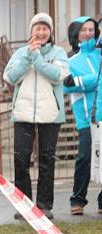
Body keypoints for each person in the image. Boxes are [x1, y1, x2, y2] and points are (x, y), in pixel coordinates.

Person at [4, 13, 69, 220]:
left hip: (50, 114)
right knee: (21, 159)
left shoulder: (58, 52)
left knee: (47, 160)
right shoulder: (21, 52)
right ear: (31, 31)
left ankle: (44, 206)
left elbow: (58, 76)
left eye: (45, 28)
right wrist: (27, 57)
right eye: (37, 28)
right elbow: (10, 76)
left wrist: (38, 58)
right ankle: (24, 206)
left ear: (50, 32)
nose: (41, 32)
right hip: (23, 114)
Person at [65, 16, 102, 216]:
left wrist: (82, 81)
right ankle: (77, 199)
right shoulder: (70, 60)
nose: (88, 33)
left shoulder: (100, 54)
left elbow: (76, 82)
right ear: (76, 33)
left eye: (92, 29)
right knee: (85, 157)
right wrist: (93, 80)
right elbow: (65, 84)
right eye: (84, 30)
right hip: (87, 118)